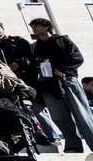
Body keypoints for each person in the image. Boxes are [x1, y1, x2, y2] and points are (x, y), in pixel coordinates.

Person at [28, 17, 93, 153]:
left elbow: (77, 58)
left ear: (46, 27)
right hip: (48, 85)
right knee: (60, 118)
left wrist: (61, 68)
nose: (33, 29)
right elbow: (30, 63)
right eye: (32, 26)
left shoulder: (62, 41)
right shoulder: (34, 47)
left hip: (67, 80)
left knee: (82, 114)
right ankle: (73, 148)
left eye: (36, 26)